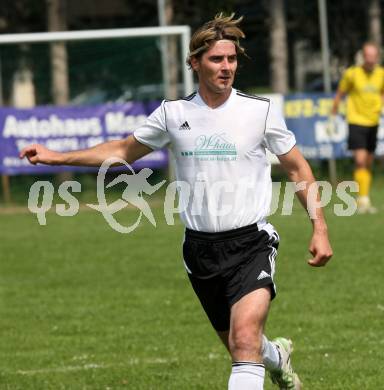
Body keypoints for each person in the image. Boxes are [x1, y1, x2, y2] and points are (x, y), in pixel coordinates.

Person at [20, 13, 332, 390]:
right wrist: (56, 156)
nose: (227, 67)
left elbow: (298, 169)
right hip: (200, 249)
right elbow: (122, 150)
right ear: (195, 62)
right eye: (217, 59)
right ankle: (278, 357)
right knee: (241, 346)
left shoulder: (258, 111)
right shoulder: (173, 114)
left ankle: (268, 356)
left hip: (251, 243)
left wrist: (319, 228)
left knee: (244, 338)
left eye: (231, 59)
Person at [332, 42, 384, 213]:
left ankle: (364, 197)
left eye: (373, 56)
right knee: (360, 160)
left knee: (368, 162)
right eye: (367, 55)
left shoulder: (381, 74)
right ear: (363, 56)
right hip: (355, 120)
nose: (370, 59)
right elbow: (341, 92)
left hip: (373, 121)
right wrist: (334, 111)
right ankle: (363, 200)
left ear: (377, 57)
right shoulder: (352, 73)